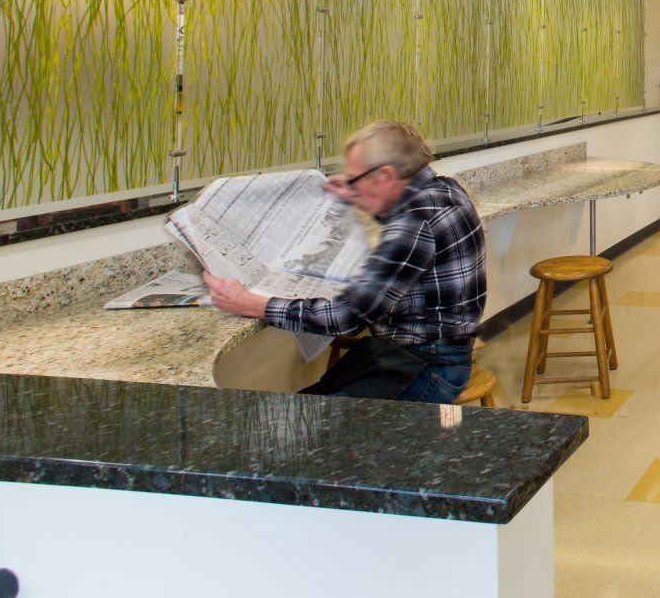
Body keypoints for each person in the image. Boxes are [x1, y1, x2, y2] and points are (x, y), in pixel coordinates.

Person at [204, 120, 487, 403]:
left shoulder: (414, 223)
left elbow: (347, 318)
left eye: (355, 178)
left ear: (385, 176)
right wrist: (360, 195)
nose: (350, 184)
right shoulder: (443, 190)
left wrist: (255, 304)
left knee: (308, 424)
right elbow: (412, 232)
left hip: (428, 367)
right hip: (435, 351)